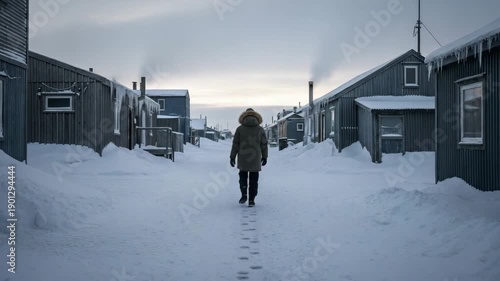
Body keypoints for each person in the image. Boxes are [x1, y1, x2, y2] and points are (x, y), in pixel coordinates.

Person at [230, 108, 268, 207]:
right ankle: (251, 200)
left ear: (244, 117)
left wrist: (232, 157)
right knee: (254, 179)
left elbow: (235, 144)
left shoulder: (240, 129)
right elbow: (264, 144)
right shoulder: (260, 129)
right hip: (255, 158)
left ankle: (244, 195)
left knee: (242, 177)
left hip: (243, 158)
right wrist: (265, 156)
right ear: (256, 117)